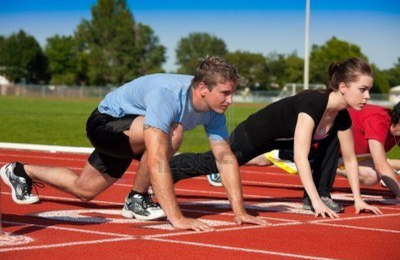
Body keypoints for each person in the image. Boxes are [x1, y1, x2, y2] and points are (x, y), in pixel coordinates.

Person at [0, 56, 266, 232]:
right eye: (226, 93)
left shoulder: (213, 110)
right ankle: (136, 198)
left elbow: (225, 158)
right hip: (105, 123)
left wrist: (239, 211)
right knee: (172, 132)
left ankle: (21, 170)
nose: (230, 100)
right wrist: (177, 217)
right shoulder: (168, 96)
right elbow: (158, 158)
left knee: (84, 189)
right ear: (202, 89)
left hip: (128, 133)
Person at [170, 57, 382, 218]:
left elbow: (350, 159)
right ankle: (172, 168)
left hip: (284, 140)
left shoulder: (341, 117)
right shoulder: (313, 104)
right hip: (256, 134)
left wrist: (358, 199)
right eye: (362, 89)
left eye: (369, 90)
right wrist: (318, 203)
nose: (367, 96)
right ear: (343, 87)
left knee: (331, 143)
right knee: (215, 163)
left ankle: (319, 194)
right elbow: (301, 157)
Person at [221, 102, 400, 200]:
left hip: (339, 152)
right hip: (316, 144)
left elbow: (383, 163)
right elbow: (381, 163)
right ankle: (219, 164)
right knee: (266, 158)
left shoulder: (394, 132)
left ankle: (330, 166)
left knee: (371, 176)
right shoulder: (379, 121)